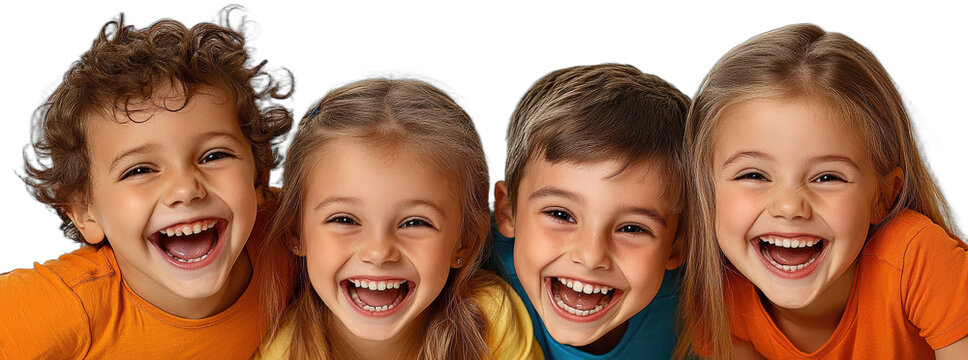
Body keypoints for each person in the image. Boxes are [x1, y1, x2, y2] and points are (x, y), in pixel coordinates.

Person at [0, 8, 292, 359]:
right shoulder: (68, 304)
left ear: (258, 174)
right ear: (84, 213)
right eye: (139, 170)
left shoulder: (290, 235)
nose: (186, 189)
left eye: (214, 156)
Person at [677, 23, 968, 359]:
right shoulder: (718, 294)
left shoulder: (917, 259)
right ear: (706, 190)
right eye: (754, 175)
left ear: (884, 197)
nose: (789, 206)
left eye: (827, 177)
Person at [256, 78, 542, 359]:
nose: (379, 252)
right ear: (296, 233)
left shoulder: (490, 320)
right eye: (344, 220)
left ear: (463, 242)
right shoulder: (284, 350)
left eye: (415, 222)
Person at [490, 63, 690, 359]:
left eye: (632, 228)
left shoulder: (696, 306)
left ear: (677, 243)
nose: (591, 256)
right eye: (560, 215)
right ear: (508, 211)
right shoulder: (473, 274)